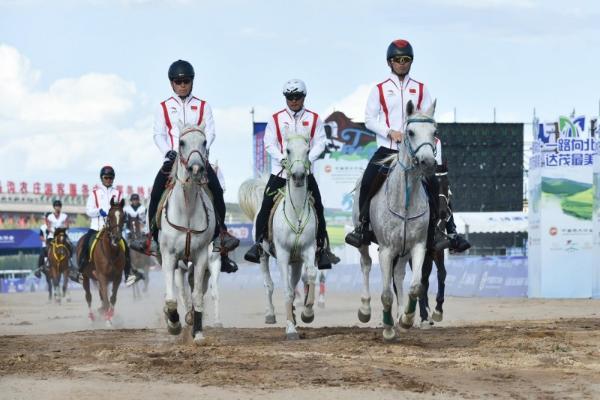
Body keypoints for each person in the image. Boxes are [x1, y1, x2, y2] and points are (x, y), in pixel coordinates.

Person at [344, 39, 470, 253]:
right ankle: (362, 226)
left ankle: (447, 230)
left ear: (411, 62)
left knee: (436, 186)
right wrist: (389, 132)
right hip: (388, 149)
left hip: (414, 153)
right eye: (397, 60)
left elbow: (428, 117)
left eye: (406, 60)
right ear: (389, 62)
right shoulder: (380, 89)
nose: (402, 63)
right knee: (367, 181)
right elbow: (369, 118)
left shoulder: (421, 89)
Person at [129, 59, 239, 273]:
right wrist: (167, 152)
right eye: (178, 82)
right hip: (173, 161)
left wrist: (200, 152)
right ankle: (151, 238)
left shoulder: (203, 105)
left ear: (192, 82)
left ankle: (221, 237)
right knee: (156, 192)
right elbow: (158, 134)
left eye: (186, 81)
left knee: (216, 190)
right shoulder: (163, 107)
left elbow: (212, 132)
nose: (182, 85)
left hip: (198, 158)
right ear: (171, 83)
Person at [244, 79, 339, 268]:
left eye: (297, 97)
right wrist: (281, 158)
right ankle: (258, 245)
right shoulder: (276, 119)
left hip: (305, 173)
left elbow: (321, 142)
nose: (293, 100)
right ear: (285, 98)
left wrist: (308, 160)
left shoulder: (314, 118)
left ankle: (321, 248)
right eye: (290, 97)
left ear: (304, 97)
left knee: (318, 206)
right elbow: (269, 143)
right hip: (280, 173)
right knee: (265, 205)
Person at [72, 166, 144, 286]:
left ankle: (128, 274)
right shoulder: (94, 193)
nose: (108, 180)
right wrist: (99, 211)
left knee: (125, 246)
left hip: (113, 229)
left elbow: (122, 210)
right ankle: (79, 272)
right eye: (106, 177)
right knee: (85, 245)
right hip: (97, 227)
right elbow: (88, 210)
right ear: (102, 178)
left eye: (111, 178)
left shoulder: (118, 193)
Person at [34, 213, 50, 278]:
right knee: (41, 256)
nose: (46, 219)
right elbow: (40, 236)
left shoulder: (55, 226)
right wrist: (45, 240)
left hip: (54, 245)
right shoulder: (42, 227)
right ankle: (39, 270)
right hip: (45, 245)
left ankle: (69, 265)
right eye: (45, 218)